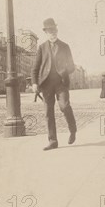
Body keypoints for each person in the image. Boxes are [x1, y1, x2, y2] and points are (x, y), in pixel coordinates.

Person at [31, 18, 77, 151]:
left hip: (61, 83)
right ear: (46, 32)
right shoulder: (42, 48)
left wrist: (64, 71)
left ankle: (72, 129)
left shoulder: (65, 46)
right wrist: (34, 83)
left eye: (54, 30)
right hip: (46, 85)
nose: (53, 33)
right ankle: (53, 141)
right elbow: (35, 68)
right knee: (48, 113)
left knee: (65, 106)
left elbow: (72, 66)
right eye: (50, 31)